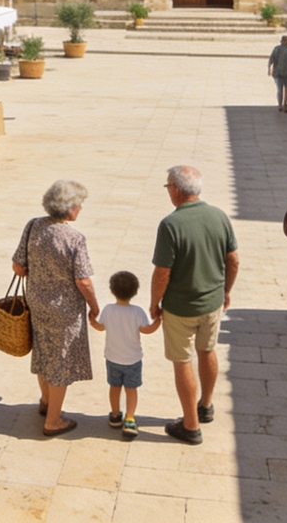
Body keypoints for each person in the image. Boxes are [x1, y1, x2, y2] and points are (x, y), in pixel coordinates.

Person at [150, 166, 239, 446]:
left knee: (183, 360)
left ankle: (190, 425)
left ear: (176, 190)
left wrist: (154, 303)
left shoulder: (170, 224)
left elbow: (162, 272)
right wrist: (225, 291)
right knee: (207, 350)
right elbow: (233, 259)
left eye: (167, 187)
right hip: (212, 302)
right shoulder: (219, 216)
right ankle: (206, 405)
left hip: (181, 307)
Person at [13, 180, 100, 436]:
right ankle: (53, 420)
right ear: (69, 207)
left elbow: (18, 266)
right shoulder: (74, 238)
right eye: (79, 204)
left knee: (43, 351)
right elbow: (83, 280)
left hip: (37, 303)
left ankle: (45, 401)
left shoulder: (33, 226)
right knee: (61, 361)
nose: (81, 208)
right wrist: (94, 307)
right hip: (64, 310)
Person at [89, 270, 161, 440]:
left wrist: (91, 320)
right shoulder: (137, 312)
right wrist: (159, 320)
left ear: (112, 290)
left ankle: (115, 415)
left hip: (112, 358)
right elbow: (147, 329)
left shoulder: (108, 310)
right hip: (132, 360)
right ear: (135, 292)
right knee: (131, 389)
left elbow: (100, 327)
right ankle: (129, 418)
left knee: (114, 387)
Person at [267, 34, 287, 112]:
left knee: (280, 89)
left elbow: (271, 59)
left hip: (279, 72)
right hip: (285, 72)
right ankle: (283, 104)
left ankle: (281, 104)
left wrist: (269, 69)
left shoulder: (277, 49)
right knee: (285, 90)